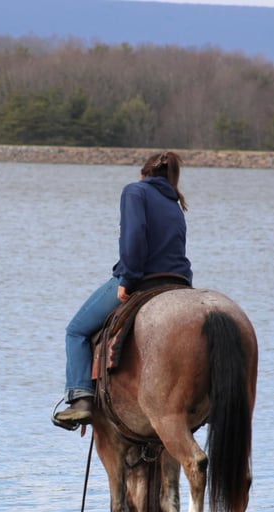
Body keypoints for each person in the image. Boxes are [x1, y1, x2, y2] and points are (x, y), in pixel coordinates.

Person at [54, 151, 193, 428]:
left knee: (76, 331)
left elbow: (134, 237)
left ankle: (80, 398)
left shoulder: (135, 191)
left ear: (144, 174)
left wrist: (127, 280)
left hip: (144, 278)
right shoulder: (175, 202)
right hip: (179, 281)